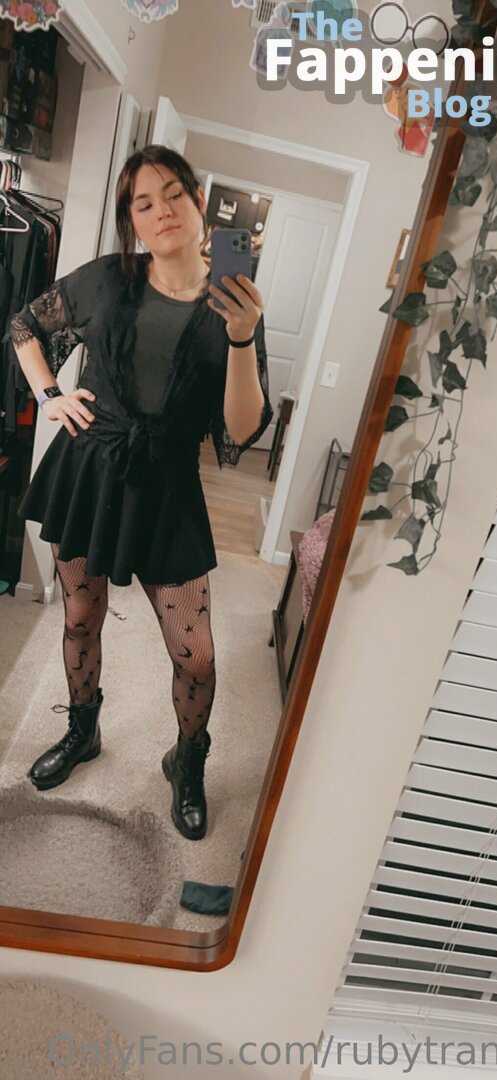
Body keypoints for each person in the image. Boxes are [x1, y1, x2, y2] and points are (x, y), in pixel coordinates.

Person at [9, 144, 273, 842]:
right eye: (143, 203)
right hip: (89, 471)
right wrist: (51, 396)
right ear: (132, 219)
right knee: (79, 618)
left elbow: (240, 430)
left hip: (168, 488)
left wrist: (242, 340)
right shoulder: (107, 279)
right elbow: (26, 327)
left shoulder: (234, 304)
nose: (161, 212)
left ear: (198, 202)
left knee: (198, 656)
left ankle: (187, 759)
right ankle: (83, 729)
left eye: (173, 195)